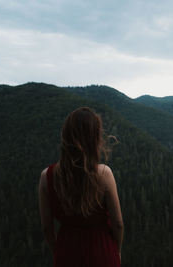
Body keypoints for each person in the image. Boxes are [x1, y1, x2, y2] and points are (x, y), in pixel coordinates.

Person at [39, 107, 123, 267]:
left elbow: (46, 229)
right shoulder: (105, 174)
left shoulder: (46, 177)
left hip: (67, 253)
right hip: (103, 253)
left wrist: (58, 252)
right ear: (95, 139)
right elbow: (118, 223)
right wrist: (116, 251)